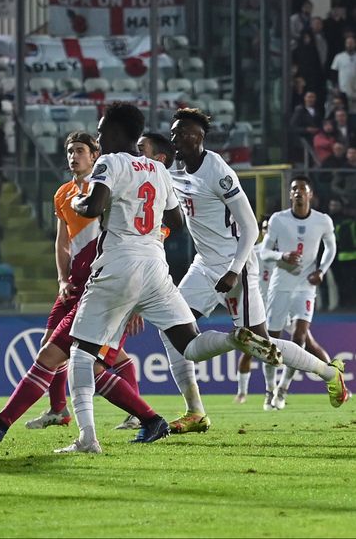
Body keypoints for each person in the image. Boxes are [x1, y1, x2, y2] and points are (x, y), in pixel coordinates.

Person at [55, 103, 289, 454]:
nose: (100, 137)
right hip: (156, 267)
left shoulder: (109, 162)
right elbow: (176, 221)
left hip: (119, 263)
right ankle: (234, 340)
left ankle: (87, 438)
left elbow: (93, 207)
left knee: (82, 352)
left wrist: (77, 203)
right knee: (189, 344)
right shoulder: (158, 168)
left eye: (103, 131)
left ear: (119, 132)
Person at [166, 110, 348, 433]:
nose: (177, 138)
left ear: (200, 139)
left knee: (264, 348)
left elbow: (250, 228)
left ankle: (330, 373)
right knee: (171, 326)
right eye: (174, 133)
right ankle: (194, 411)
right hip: (204, 266)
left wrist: (235, 270)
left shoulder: (218, 171)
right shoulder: (174, 171)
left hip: (236, 266)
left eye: (184, 133)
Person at [0, 131, 149, 444]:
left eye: (80, 150)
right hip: (75, 283)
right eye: (70, 151)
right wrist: (63, 279)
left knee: (82, 360)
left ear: (94, 155)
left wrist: (135, 297)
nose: (73, 156)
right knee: (61, 352)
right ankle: (61, 410)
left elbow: (133, 241)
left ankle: (142, 417)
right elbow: (63, 241)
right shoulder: (63, 193)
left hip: (103, 284)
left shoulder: (106, 190)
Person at [257, 175, 345, 410]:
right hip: (281, 284)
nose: (298, 192)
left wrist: (321, 270)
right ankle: (269, 389)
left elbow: (331, 248)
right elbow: (265, 252)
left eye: (302, 189)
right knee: (270, 341)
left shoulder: (322, 221)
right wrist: (281, 256)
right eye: (294, 189)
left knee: (300, 337)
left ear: (310, 194)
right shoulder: (278, 219)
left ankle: (283, 389)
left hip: (306, 286)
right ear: (290, 194)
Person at [235, 217, 271, 404]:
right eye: (264, 228)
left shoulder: (282, 254)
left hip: (278, 306)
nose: (267, 232)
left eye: (270, 228)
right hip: (257, 307)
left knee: (303, 340)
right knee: (250, 349)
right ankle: (242, 393)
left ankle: (275, 390)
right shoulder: (252, 252)